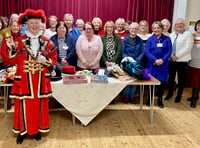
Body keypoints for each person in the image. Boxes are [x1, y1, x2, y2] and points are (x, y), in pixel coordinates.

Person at [6, 9, 57, 144]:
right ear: (26, 25)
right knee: (22, 105)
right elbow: (10, 60)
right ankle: (22, 132)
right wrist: (10, 48)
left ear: (41, 25)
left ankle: (37, 131)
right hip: (23, 80)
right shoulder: (19, 41)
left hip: (40, 80)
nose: (34, 25)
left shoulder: (47, 42)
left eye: (37, 23)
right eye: (31, 23)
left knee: (39, 105)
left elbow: (54, 59)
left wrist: (44, 61)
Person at [165, 18, 193, 103]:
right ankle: (170, 93)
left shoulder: (188, 34)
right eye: (177, 24)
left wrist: (176, 56)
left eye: (180, 23)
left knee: (181, 79)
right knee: (171, 78)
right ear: (175, 25)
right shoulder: (172, 34)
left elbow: (188, 48)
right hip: (171, 60)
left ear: (183, 25)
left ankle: (179, 95)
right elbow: (168, 46)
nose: (179, 25)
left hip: (182, 61)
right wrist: (171, 56)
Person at [145, 21, 172, 108]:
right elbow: (147, 52)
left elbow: (169, 51)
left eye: (158, 28)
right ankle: (150, 98)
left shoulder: (167, 39)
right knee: (151, 82)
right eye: (154, 28)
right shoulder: (150, 39)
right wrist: (155, 60)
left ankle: (160, 99)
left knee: (162, 83)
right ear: (152, 29)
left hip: (163, 65)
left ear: (162, 29)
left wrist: (162, 60)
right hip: (152, 64)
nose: (156, 29)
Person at [121, 22, 144, 103]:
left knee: (134, 80)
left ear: (137, 30)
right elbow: (123, 52)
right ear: (129, 29)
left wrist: (137, 61)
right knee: (128, 80)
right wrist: (129, 60)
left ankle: (132, 96)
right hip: (127, 64)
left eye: (135, 28)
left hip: (137, 64)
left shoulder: (139, 40)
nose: (134, 30)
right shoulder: (125, 40)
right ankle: (126, 96)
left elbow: (142, 52)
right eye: (132, 28)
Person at [186, 20, 200, 108]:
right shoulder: (191, 36)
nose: (199, 27)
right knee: (193, 80)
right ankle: (194, 95)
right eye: (198, 25)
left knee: (197, 81)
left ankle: (194, 98)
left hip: (199, 63)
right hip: (191, 62)